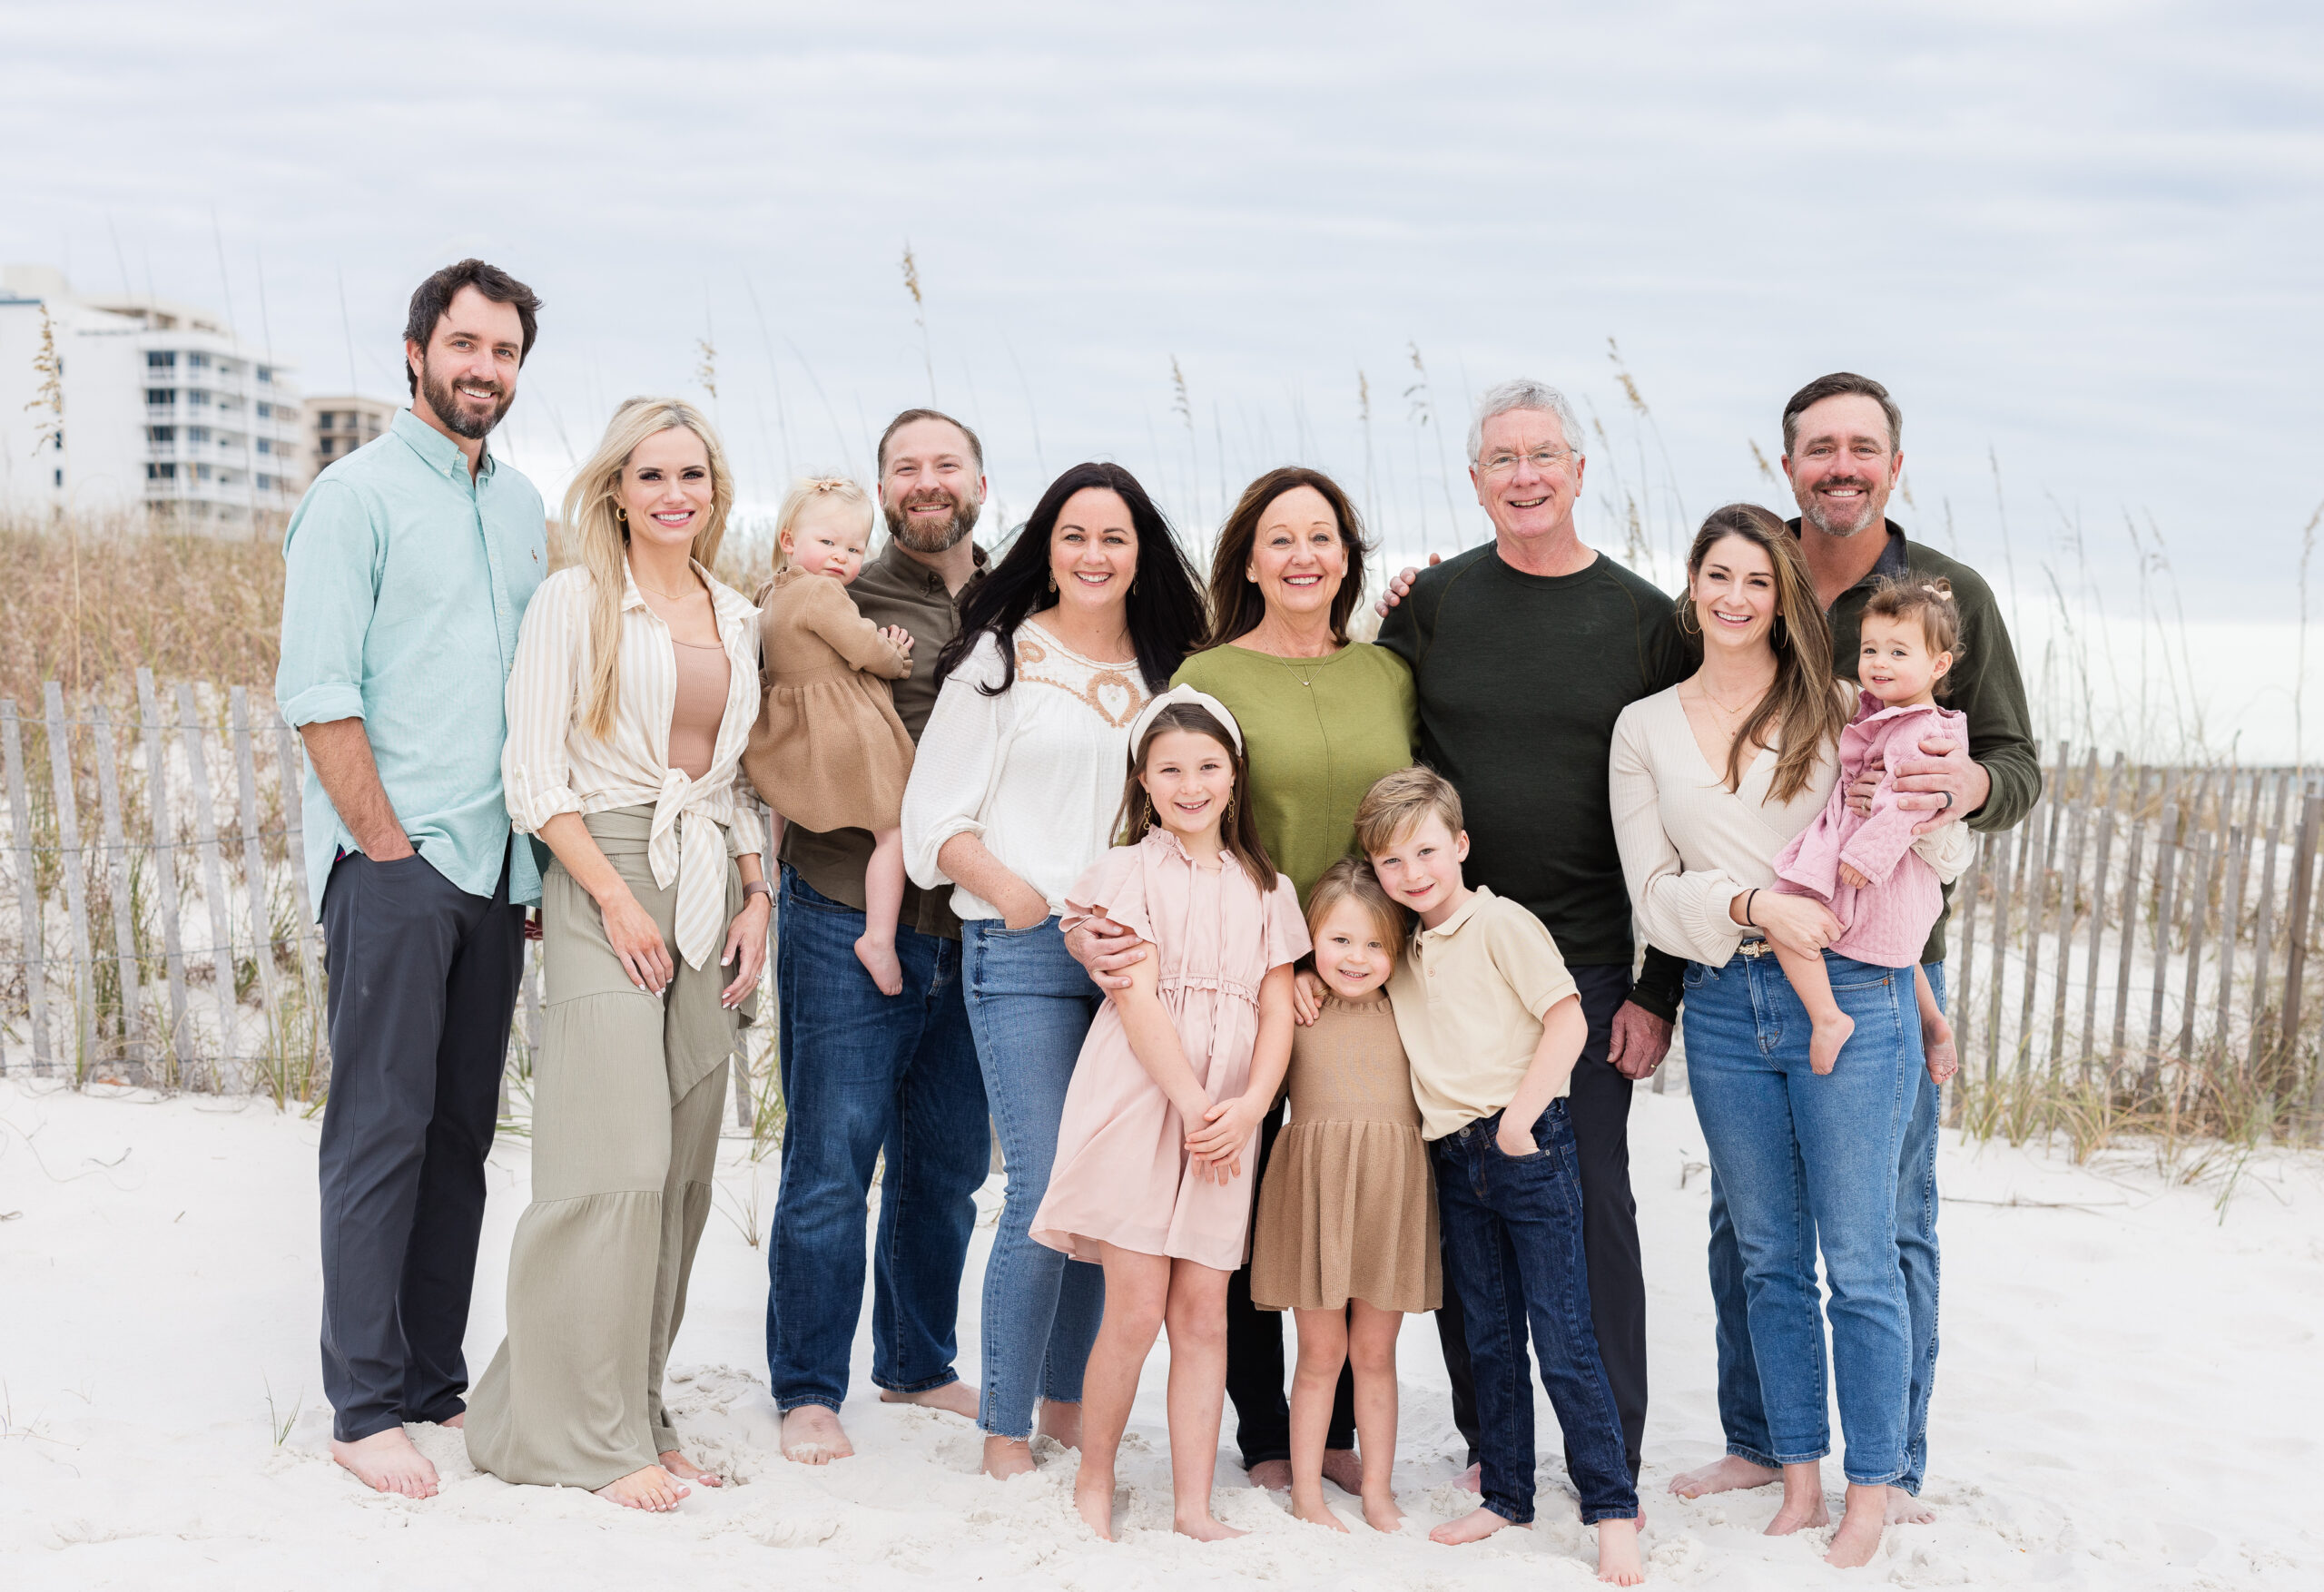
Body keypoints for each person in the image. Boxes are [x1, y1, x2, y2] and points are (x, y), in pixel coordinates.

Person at [1671, 375, 2039, 1526]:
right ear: (1786, 464)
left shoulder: (1944, 595)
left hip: (1884, 954)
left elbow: (2017, 766)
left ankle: (1895, 1462)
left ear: (1893, 464)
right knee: (1751, 1221)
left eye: (1862, 446)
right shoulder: (1748, 579)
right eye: (1818, 446)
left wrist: (1967, 782)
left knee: (1888, 1219)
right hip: (1758, 947)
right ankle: (1762, 1439)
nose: (1840, 463)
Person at [1609, 505, 1971, 1567]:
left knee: (1860, 1255)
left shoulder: (1849, 707)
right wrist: (1755, 907)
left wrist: (1941, 801)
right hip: (1725, 1002)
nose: (1734, 597)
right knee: (1766, 1255)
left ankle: (1872, 1484)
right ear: (1691, 584)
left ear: (1781, 595)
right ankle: (1793, 1470)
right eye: (1716, 575)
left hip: (1854, 992)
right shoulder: (1644, 727)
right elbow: (1653, 897)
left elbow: (1936, 853)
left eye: (1756, 580)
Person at [1072, 465, 1417, 1490]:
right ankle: (1266, 1436)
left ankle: (1340, 1436)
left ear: (1348, 555)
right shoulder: (1208, 671)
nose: (1303, 554)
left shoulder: (1388, 673)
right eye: (1280, 537)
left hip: (1364, 972)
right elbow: (1158, 806)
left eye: (1322, 535)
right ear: (1249, 558)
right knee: (1246, 1190)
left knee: (1341, 1185)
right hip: (1247, 968)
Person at [1373, 378, 1690, 1491]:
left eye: (1542, 455)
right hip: (1453, 951)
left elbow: (1681, 806)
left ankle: (1616, 1444)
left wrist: (1661, 988)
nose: (1523, 475)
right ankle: (1488, 1438)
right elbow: (1388, 736)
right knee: (1472, 1193)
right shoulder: (1437, 603)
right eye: (1500, 458)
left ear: (1579, 471)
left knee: (1590, 1192)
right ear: (1474, 480)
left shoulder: (1649, 617)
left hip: (1594, 955)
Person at [466, 398, 768, 1510]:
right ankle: (575, 1434)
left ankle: (636, 1412)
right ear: (615, 488)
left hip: (705, 882)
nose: (673, 493)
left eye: (692, 473)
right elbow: (533, 775)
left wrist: (756, 893)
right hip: (602, 874)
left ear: (714, 488)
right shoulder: (575, 599)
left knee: (683, 1175)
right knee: (612, 1161)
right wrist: (610, 897)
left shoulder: (738, 614)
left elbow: (730, 783)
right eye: (651, 475)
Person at [276, 259, 546, 1500]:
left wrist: (526, 862)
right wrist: (383, 842)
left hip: (496, 871)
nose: (482, 367)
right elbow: (320, 690)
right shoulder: (356, 496)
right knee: (378, 1132)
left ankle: (432, 1375)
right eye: (465, 344)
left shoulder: (522, 505)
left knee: (459, 1134)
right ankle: (362, 1400)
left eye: (503, 351)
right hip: (396, 865)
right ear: (415, 351)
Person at [901, 461, 1206, 1479]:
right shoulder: (998, 661)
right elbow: (931, 821)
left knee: (1105, 1186)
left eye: (1113, 537)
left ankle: (1069, 1403)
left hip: (1134, 960)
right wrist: (1028, 897)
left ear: (1139, 552)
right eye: (1074, 534)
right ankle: (1002, 1426)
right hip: (1023, 946)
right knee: (1040, 1183)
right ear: (1049, 544)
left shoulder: (1175, 670)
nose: (1092, 554)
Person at [763, 408, 993, 1466]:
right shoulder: (846, 595)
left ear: (981, 481)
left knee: (945, 1164)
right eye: (906, 467)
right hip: (845, 903)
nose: (926, 481)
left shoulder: (1018, 594)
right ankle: (809, 1386)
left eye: (946, 463)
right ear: (883, 488)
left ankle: (916, 1360)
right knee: (831, 1157)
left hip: (975, 923)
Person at [1031, 689, 1309, 1543]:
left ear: (1234, 777)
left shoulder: (1269, 887)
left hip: (1228, 1117)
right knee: (1137, 1304)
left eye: (1208, 768)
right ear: (1144, 781)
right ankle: (1094, 1474)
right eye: (1171, 770)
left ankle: (1193, 1505)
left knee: (1202, 1313)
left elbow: (1273, 1010)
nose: (1192, 785)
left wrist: (1252, 1106)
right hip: (1141, 1099)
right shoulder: (1125, 873)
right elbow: (1139, 998)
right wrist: (1192, 1103)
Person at [1356, 766, 1642, 1587]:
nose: (1413, 874)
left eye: (1426, 852)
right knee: (1487, 1337)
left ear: (1462, 846)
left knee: (1563, 1337)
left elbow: (1567, 1016)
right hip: (1452, 1159)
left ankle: (1612, 1509)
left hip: (1526, 1144)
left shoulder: (1500, 923)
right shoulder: (1400, 947)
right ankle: (1507, 1494)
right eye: (1392, 863)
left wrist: (1519, 1119)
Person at [1247, 858, 1437, 1535]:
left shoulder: (1412, 1003)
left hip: (1390, 1190)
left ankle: (1379, 1493)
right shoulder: (1296, 1003)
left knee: (1375, 1357)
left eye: (1374, 944)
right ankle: (1306, 1493)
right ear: (1310, 941)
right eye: (1339, 941)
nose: (1356, 958)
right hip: (1316, 1191)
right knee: (1320, 1354)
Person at [1768, 576, 1968, 1077]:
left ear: (1938, 665)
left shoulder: (1915, 728)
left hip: (1879, 859)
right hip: (1885, 860)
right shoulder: (1888, 713)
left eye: (1899, 652)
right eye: (1871, 649)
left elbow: (1907, 804)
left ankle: (1827, 1016)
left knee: (1783, 912)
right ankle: (1932, 1020)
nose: (1879, 662)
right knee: (1895, 948)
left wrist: (1864, 857)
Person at [742, 477, 916, 994]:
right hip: (844, 725)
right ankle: (878, 938)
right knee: (893, 830)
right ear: (789, 540)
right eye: (828, 543)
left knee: (784, 798)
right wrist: (896, 654)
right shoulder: (822, 592)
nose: (841, 557)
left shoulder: (770, 592)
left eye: (854, 548)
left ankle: (776, 862)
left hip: (790, 730)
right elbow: (864, 650)